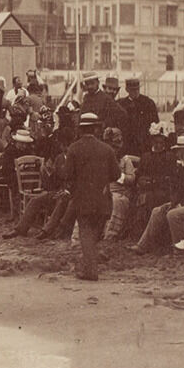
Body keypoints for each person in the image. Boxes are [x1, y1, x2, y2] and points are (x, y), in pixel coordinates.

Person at [65, 111, 119, 280]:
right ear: (96, 129)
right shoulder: (107, 149)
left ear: (81, 129)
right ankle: (90, 262)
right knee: (94, 234)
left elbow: (67, 175)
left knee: (86, 233)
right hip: (103, 199)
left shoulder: (73, 148)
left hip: (82, 199)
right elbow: (116, 175)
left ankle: (91, 271)